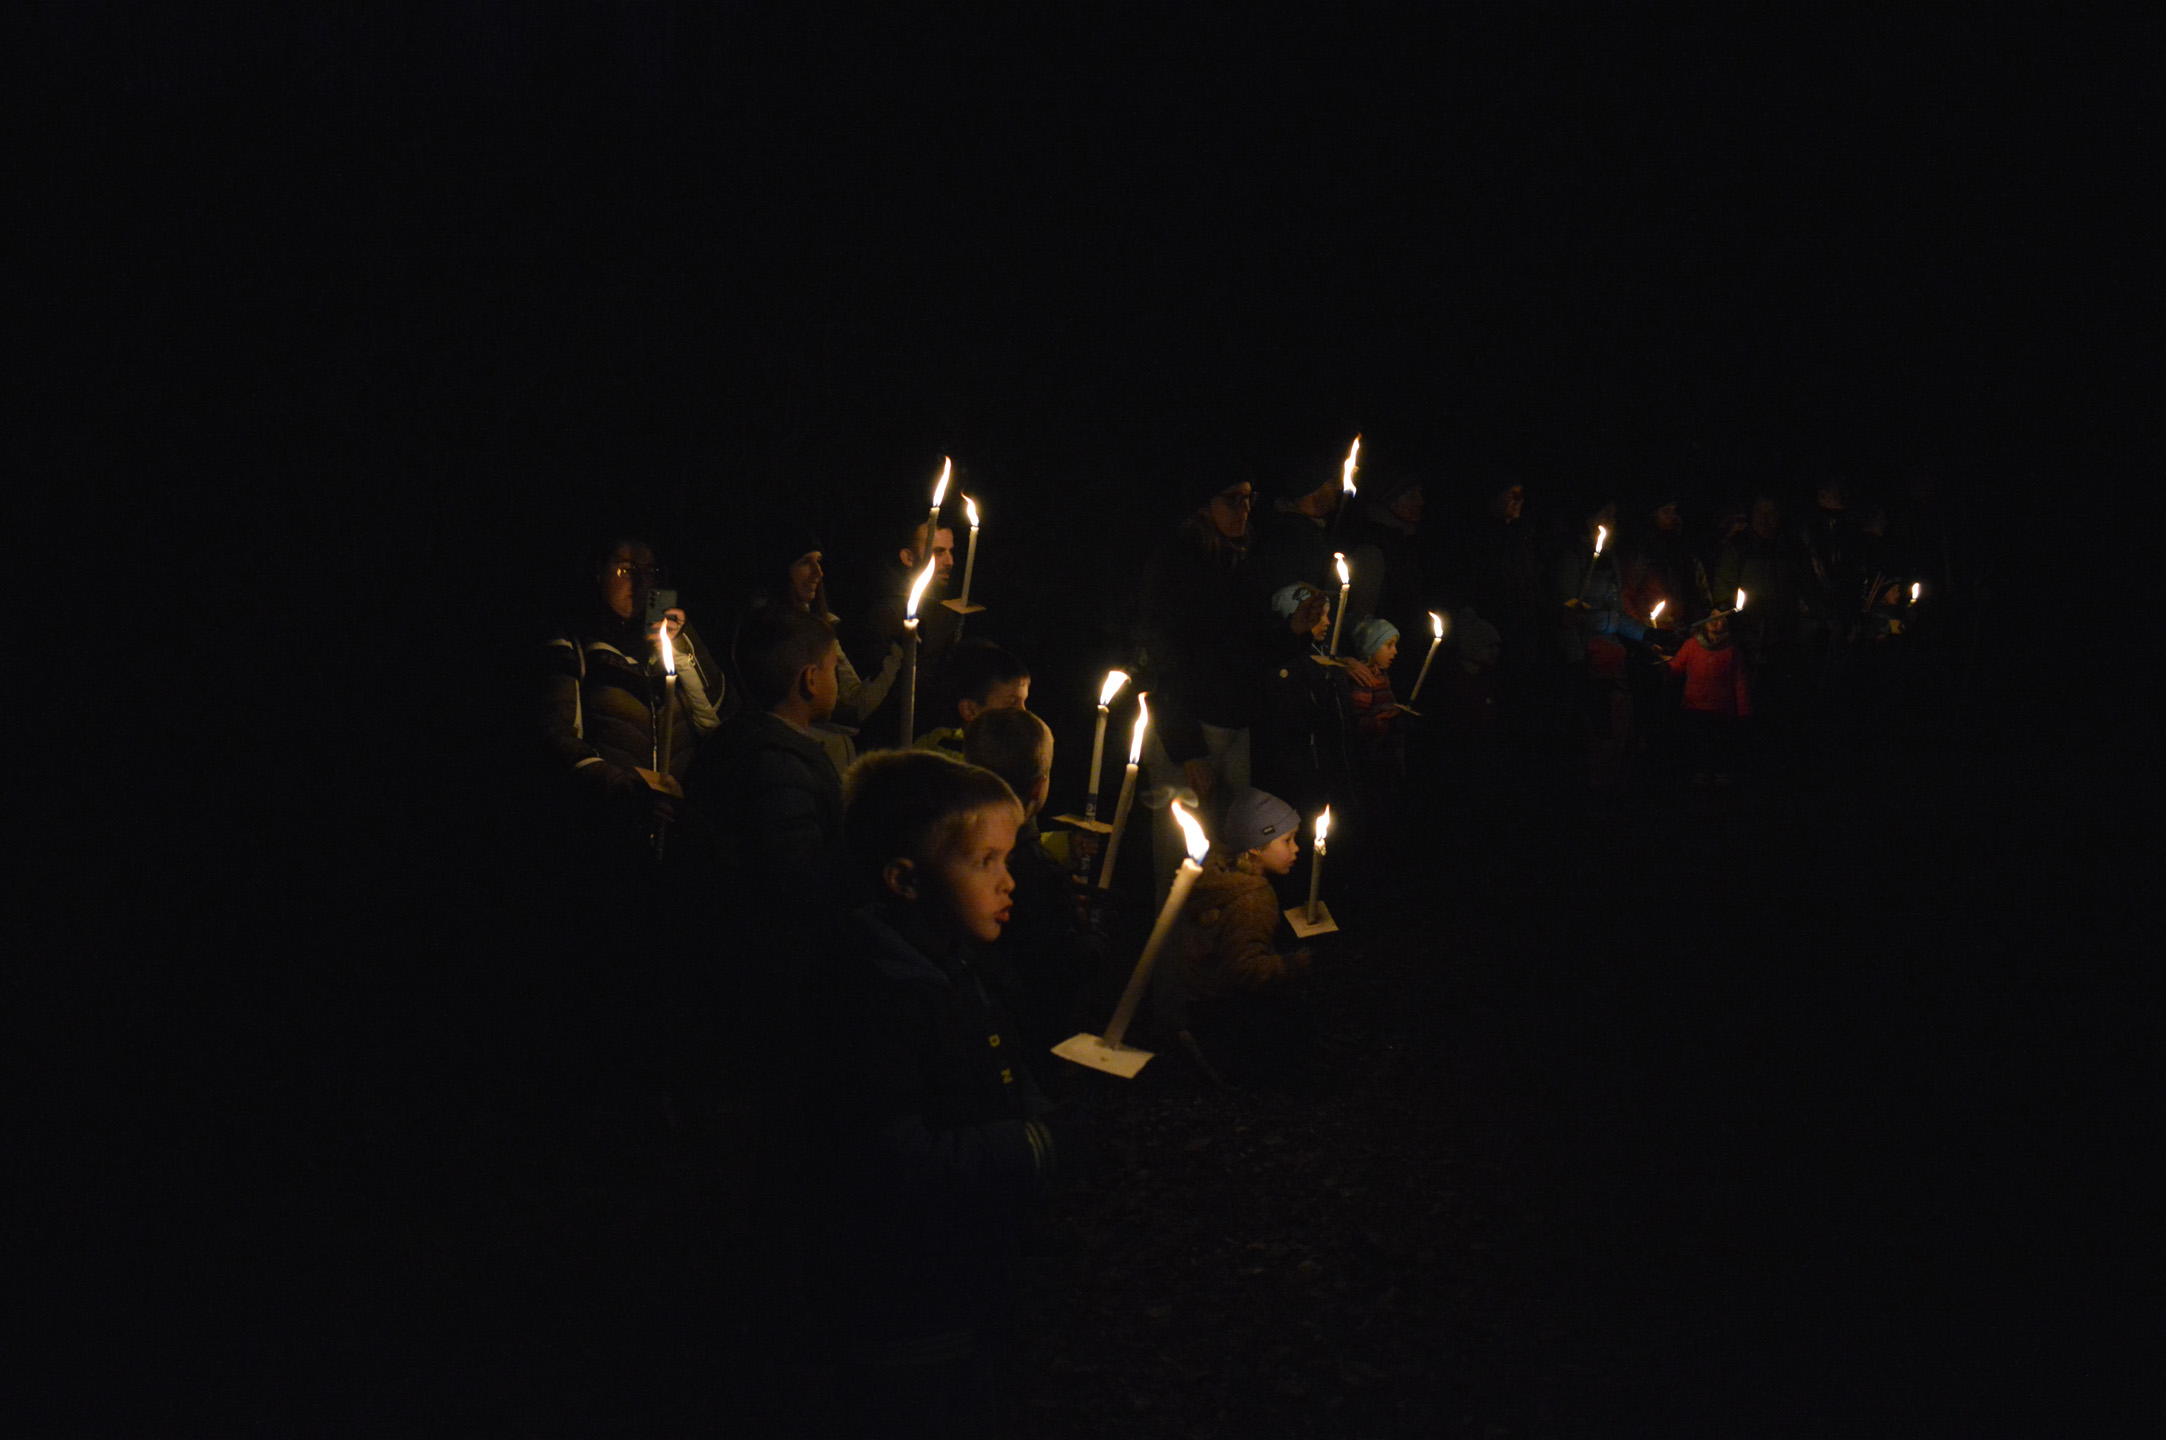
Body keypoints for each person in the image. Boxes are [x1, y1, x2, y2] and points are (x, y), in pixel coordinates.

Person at [806, 750, 1073, 1437]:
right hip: (902, 1296)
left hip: (964, 1275)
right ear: (905, 879)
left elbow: (1000, 1062)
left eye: (1007, 859)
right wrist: (1033, 1145)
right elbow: (889, 1158)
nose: (1009, 881)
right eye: (985, 862)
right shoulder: (876, 1001)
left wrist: (1040, 1110)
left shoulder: (959, 964)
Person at [1137, 468, 1323, 904]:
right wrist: (1188, 750)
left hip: (1236, 725)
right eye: (1232, 499)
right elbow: (1163, 659)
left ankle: (1230, 939)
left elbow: (1251, 649)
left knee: (1232, 852)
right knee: (1181, 859)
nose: (1243, 509)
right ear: (1204, 505)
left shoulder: (1240, 561)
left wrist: (1294, 631)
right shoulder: (1175, 565)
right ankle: (1176, 946)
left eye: (1249, 499)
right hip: (1190, 729)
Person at [541, 537, 728, 876]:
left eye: (650, 571)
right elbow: (557, 737)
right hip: (608, 834)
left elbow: (718, 716)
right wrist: (627, 789)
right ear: (598, 572)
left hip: (680, 833)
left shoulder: (670, 644)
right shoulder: (574, 644)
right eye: (625, 570)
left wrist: (684, 643)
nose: (640, 583)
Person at [964, 706, 1115, 1089]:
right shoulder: (1035, 870)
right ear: (1038, 787)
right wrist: (1092, 938)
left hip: (967, 1028)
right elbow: (1063, 960)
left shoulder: (952, 842)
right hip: (1029, 1034)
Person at [694, 602, 846, 904]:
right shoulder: (782, 770)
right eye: (833, 668)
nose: (836, 679)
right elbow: (796, 884)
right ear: (810, 679)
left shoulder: (732, 741)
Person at [1177, 787, 1315, 1080]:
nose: (1296, 849)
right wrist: (1296, 964)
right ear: (1256, 847)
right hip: (1226, 1009)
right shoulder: (1253, 899)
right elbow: (1246, 969)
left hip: (1198, 1002)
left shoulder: (1220, 876)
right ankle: (1224, 1061)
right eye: (1287, 840)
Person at [749, 526, 903, 775]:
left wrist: (896, 654)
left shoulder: (823, 623)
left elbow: (857, 703)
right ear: (782, 569)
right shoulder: (762, 632)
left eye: (819, 561)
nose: (818, 573)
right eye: (805, 563)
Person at [855, 514, 963, 748]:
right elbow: (875, 691)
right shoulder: (888, 614)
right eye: (938, 552)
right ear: (908, 557)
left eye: (950, 551)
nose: (950, 561)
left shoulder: (944, 609)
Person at [1664, 605, 1752, 786]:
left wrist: (1744, 710)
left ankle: (1720, 773)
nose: (1715, 621)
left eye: (1721, 618)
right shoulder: (1692, 644)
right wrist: (1664, 667)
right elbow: (1677, 666)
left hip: (1721, 708)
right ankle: (1699, 772)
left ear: (1728, 624)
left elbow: (1740, 681)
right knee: (1698, 742)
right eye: (1712, 616)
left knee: (1719, 743)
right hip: (1694, 705)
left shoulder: (1731, 650)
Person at [913, 641, 1030, 756]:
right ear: (969, 710)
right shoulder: (936, 760)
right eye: (1011, 703)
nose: (1023, 712)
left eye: (1023, 702)